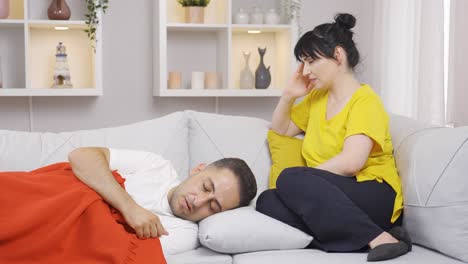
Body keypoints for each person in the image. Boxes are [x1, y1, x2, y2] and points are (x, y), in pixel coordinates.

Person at [256, 13, 412, 262]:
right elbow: (281, 130)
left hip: (372, 192)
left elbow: (352, 162)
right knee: (267, 200)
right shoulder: (316, 99)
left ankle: (380, 238)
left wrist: (306, 180)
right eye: (302, 63)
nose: (305, 71)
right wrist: (288, 95)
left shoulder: (365, 101)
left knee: (289, 178)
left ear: (338, 55)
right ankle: (367, 237)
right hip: (332, 196)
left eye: (310, 61)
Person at [68, 146, 257, 239]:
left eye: (213, 206)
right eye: (206, 187)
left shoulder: (184, 233)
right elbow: (81, 157)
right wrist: (130, 208)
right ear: (198, 170)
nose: (198, 202)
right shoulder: (156, 165)